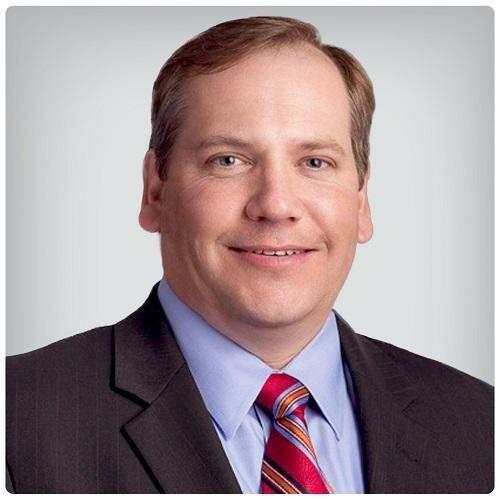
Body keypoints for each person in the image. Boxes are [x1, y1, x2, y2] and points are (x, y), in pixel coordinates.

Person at [6, 16, 493, 494]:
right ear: (155, 190)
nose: (275, 205)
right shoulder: (19, 422)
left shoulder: (480, 425)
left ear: (361, 200)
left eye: (315, 162)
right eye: (228, 160)